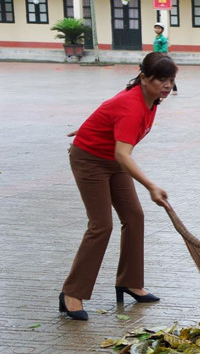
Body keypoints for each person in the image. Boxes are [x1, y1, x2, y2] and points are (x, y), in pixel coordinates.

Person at [59, 52, 177, 321]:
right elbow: (123, 154)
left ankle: (129, 281)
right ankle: (71, 293)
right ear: (144, 78)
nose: (167, 86)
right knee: (101, 225)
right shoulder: (133, 105)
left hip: (111, 159)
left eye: (170, 80)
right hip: (90, 160)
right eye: (161, 80)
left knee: (134, 216)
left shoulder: (150, 98)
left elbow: (109, 108)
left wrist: (91, 126)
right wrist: (151, 186)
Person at [152, 23, 176, 95]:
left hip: (162, 58)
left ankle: (174, 89)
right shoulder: (156, 38)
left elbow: (164, 49)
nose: (157, 29)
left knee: (167, 74)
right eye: (156, 28)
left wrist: (158, 54)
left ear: (162, 30)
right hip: (156, 57)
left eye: (158, 28)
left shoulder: (163, 39)